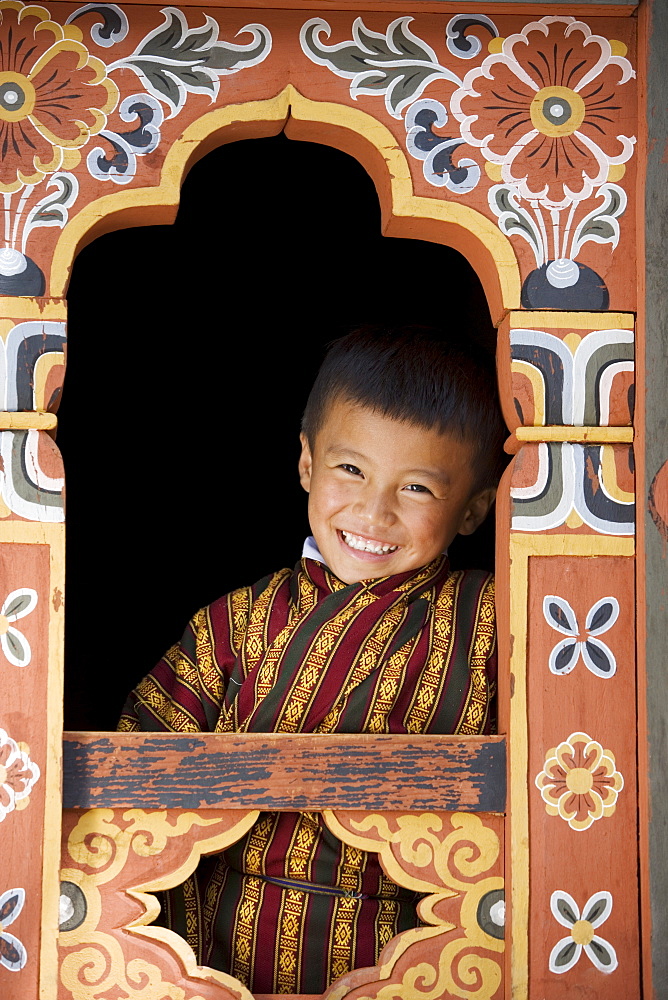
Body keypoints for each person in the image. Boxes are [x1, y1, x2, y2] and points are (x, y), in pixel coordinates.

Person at [118, 324, 506, 994]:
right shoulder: (235, 622)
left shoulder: (493, 623)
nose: (373, 510)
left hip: (415, 958)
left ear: (473, 509)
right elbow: (131, 779)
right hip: (220, 951)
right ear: (306, 462)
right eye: (350, 469)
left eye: (416, 488)